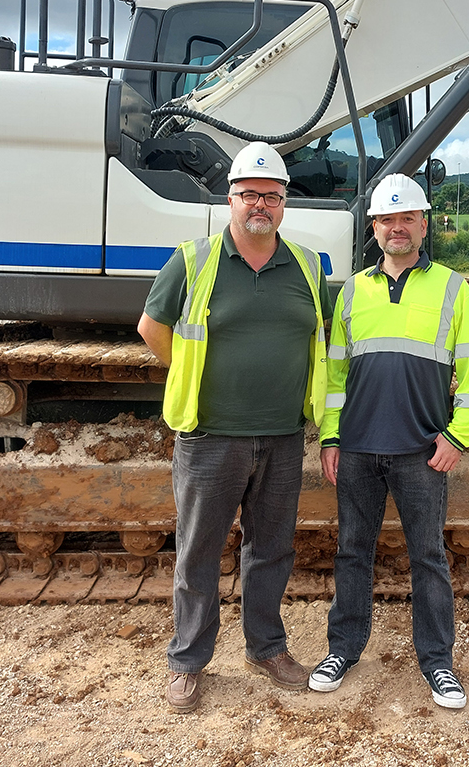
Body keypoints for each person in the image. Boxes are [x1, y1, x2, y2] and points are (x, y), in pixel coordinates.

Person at [136, 140, 329, 714]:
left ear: (284, 203)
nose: (260, 205)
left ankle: (266, 649)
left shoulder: (308, 265)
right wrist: (190, 377)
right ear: (230, 200)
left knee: (271, 548)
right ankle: (188, 660)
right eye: (250, 194)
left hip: (281, 435)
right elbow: (152, 327)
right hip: (211, 436)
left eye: (271, 196)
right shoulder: (193, 260)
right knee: (198, 552)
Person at [308, 173, 469, 710]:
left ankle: (438, 663)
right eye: (387, 219)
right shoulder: (353, 291)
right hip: (358, 448)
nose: (397, 228)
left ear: (423, 224)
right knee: (352, 553)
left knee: (428, 556)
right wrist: (331, 437)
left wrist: (458, 437)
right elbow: (335, 374)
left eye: (407, 217)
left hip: (421, 451)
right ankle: (344, 648)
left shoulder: (454, 288)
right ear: (374, 228)